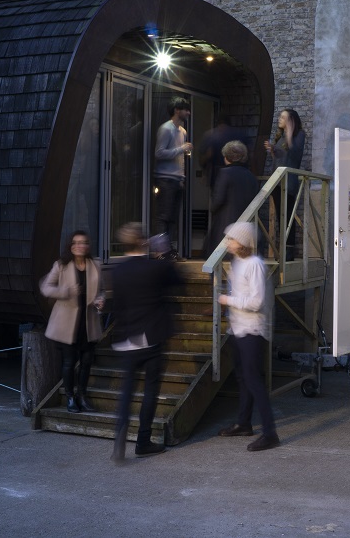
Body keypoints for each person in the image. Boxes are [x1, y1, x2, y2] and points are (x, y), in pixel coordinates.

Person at [110, 223, 183, 464]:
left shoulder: (118, 271)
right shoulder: (155, 267)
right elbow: (178, 281)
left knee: (127, 392)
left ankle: (119, 437)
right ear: (143, 241)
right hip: (151, 337)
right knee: (150, 390)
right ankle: (143, 441)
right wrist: (163, 254)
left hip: (127, 338)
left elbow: (117, 305)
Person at [216, 221, 280, 452]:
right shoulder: (236, 263)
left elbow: (257, 302)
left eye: (231, 239)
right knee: (242, 378)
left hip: (253, 330)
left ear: (242, 242)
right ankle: (243, 424)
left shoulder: (255, 264)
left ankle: (270, 433)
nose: (228, 243)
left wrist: (227, 300)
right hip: (238, 328)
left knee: (254, 381)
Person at [40, 231, 104, 413]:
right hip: (67, 324)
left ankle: (82, 396)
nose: (79, 246)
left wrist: (101, 299)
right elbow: (45, 287)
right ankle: (69, 398)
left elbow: (102, 290)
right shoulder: (61, 265)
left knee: (86, 362)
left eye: (83, 242)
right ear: (70, 245)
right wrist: (66, 291)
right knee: (69, 362)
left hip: (88, 322)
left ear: (88, 246)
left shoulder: (95, 265)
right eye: (76, 242)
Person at [264, 109, 306, 261]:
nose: (279, 119)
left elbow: (295, 154)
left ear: (291, 120)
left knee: (288, 216)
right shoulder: (280, 136)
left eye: (283, 117)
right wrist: (272, 149)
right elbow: (282, 156)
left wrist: (289, 133)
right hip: (277, 180)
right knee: (280, 217)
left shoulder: (299, 135)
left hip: (289, 181)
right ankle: (281, 251)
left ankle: (288, 252)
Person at [153, 97, 192, 259]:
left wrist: (182, 177)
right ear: (177, 110)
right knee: (164, 216)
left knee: (173, 217)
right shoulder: (166, 129)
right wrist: (181, 149)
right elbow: (159, 153)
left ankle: (168, 249)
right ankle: (161, 251)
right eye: (185, 109)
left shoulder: (182, 131)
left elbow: (180, 158)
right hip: (165, 178)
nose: (188, 113)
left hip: (176, 179)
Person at [203, 140, 259, 255]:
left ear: (226, 157)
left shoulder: (225, 173)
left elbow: (218, 200)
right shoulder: (251, 176)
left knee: (219, 259)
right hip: (245, 227)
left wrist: (212, 208)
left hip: (226, 222)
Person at [200, 115, 247, 191]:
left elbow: (206, 156)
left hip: (217, 173)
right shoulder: (239, 134)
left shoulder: (210, 135)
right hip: (239, 173)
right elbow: (250, 155)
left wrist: (205, 172)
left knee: (219, 195)